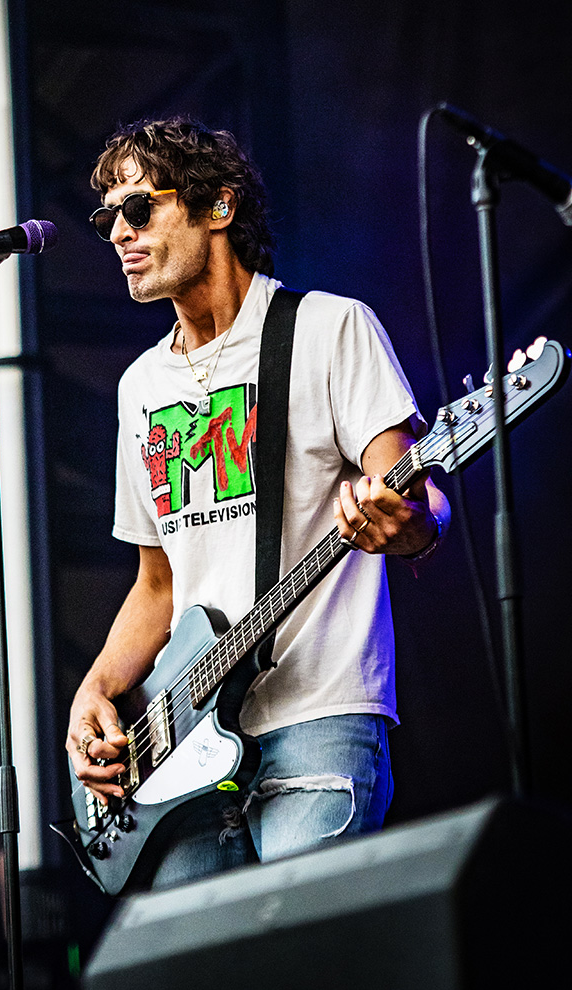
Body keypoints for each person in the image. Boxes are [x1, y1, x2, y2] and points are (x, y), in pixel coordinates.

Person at [66, 116, 449, 890]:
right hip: (184, 749)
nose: (120, 234)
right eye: (109, 219)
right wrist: (94, 691)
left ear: (219, 206)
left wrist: (404, 524)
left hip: (319, 714)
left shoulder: (330, 329)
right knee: (204, 953)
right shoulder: (141, 388)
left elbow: (420, 502)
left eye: (139, 209)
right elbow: (158, 586)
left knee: (296, 946)